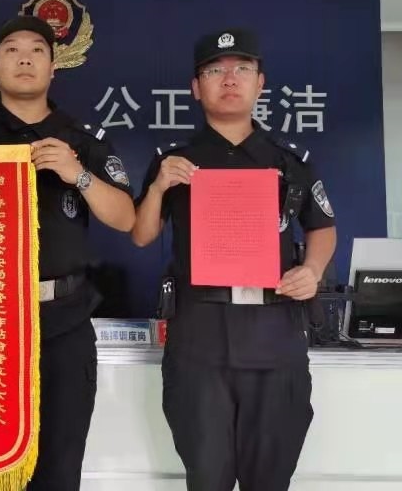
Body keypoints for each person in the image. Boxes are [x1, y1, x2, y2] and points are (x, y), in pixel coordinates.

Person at [131, 28, 337, 491]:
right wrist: (159, 186)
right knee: (207, 478)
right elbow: (142, 235)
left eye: (242, 69)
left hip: (275, 334)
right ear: (195, 87)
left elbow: (322, 226)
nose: (229, 79)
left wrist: (312, 270)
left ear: (260, 83)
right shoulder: (174, 161)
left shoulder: (290, 162)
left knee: (270, 479)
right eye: (215, 71)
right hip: (199, 338)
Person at [0, 15, 136, 491]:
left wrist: (78, 174)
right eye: (12, 50)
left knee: (58, 469)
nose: (24, 59)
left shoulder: (82, 141)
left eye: (37, 51)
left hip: (63, 321)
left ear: (53, 67)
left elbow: (126, 218)